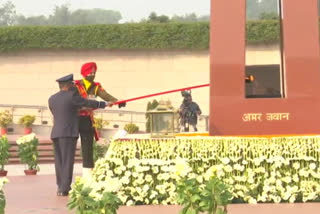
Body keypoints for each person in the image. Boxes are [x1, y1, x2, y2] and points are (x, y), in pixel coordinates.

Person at [48, 74, 107, 196]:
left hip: (56, 133)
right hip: (68, 133)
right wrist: (103, 104)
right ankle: (65, 188)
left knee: (59, 161)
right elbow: (85, 102)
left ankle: (60, 186)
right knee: (68, 160)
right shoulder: (72, 96)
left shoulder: (52, 98)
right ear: (69, 85)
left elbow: (61, 112)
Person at [74, 62, 126, 175]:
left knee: (87, 145)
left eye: (94, 72)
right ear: (84, 74)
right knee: (70, 145)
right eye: (90, 72)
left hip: (87, 119)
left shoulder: (96, 86)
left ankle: (87, 171)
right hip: (73, 119)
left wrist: (117, 101)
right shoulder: (76, 85)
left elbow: (105, 96)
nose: (92, 74)